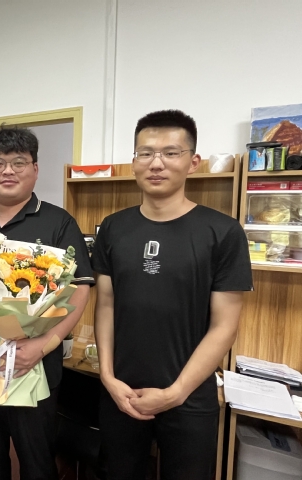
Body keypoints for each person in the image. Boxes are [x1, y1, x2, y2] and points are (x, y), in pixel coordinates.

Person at [92, 110, 253, 479]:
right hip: (121, 391)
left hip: (189, 395)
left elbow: (225, 326)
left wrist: (176, 392)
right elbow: (106, 305)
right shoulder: (113, 228)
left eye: (170, 152)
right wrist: (107, 377)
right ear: (134, 161)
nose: (156, 163)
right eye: (145, 153)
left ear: (193, 162)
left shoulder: (223, 232)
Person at [0, 126, 93, 480]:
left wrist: (43, 345)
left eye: (18, 162)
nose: (7, 171)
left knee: (37, 460)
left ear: (35, 169)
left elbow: (79, 290)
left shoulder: (59, 222)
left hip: (36, 363)